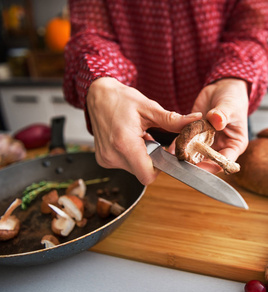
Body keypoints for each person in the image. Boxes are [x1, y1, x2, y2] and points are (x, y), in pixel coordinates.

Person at [63, 0, 268, 185]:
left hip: (225, 121)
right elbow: (90, 31)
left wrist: (234, 79)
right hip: (134, 127)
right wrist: (102, 85)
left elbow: (256, 25)